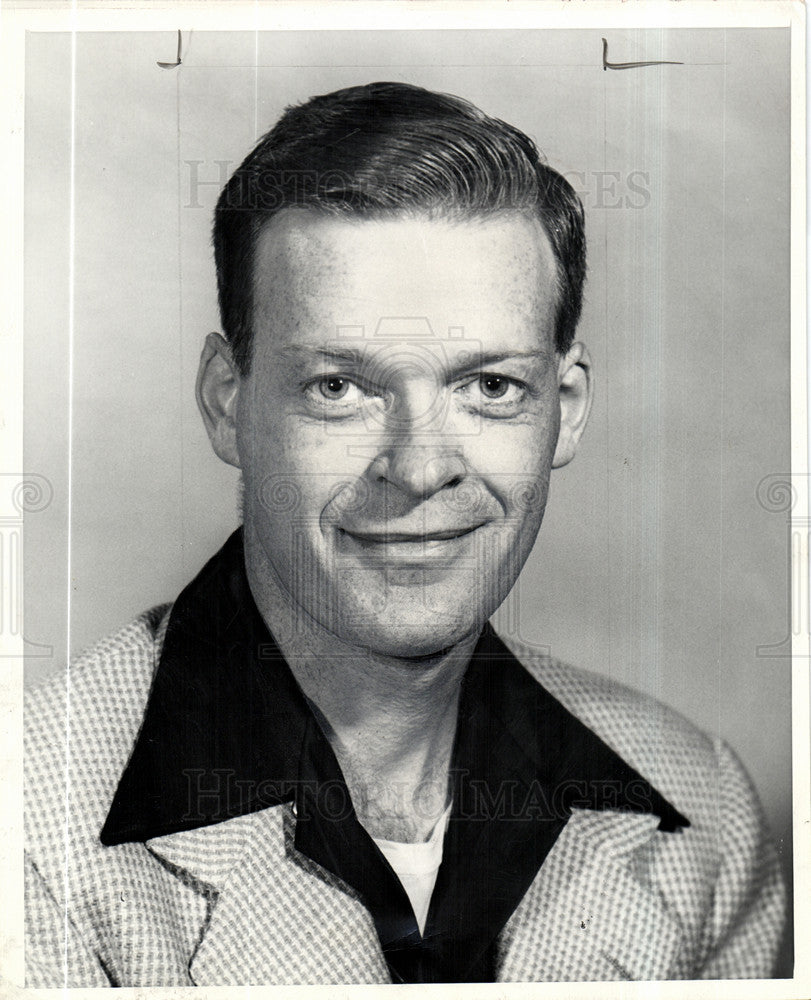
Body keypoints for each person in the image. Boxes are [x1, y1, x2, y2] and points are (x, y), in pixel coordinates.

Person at [24, 81, 786, 986]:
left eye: (490, 387)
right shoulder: (28, 828)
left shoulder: (702, 814)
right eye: (340, 388)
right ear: (227, 402)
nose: (420, 467)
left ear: (566, 410)